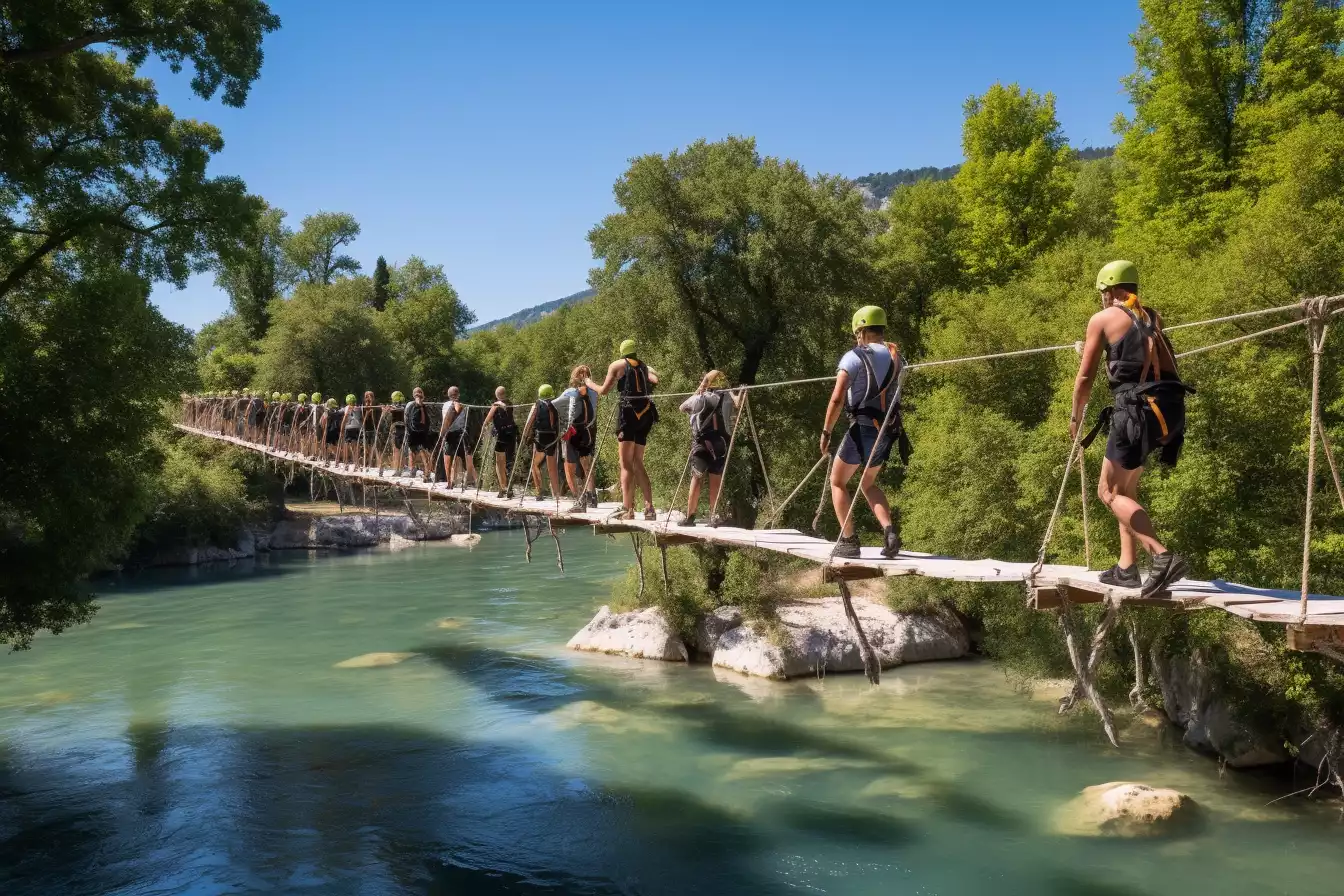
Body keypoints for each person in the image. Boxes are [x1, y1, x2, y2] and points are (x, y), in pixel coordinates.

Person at [1072, 260, 1192, 596]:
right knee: (1125, 490)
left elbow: (1085, 378)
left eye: (1102, 293)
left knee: (1108, 493)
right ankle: (1127, 568)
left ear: (1109, 290)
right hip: (1166, 410)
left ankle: (1162, 556)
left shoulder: (1102, 319)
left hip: (1135, 413)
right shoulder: (1152, 317)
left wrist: (1075, 417)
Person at [821, 306, 905, 560]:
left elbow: (837, 398)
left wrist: (826, 431)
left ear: (861, 331)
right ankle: (889, 532)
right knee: (868, 483)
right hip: (887, 431)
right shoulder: (897, 357)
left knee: (837, 481)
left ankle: (849, 541)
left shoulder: (853, 357)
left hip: (864, 429)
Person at [592, 339, 659, 521]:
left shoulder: (617, 365)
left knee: (626, 464)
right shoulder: (643, 366)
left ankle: (627, 509)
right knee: (638, 462)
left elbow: (603, 391)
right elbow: (655, 379)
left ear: (622, 351)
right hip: (645, 415)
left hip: (628, 415)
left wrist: (589, 382)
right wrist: (647, 369)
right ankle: (649, 508)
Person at [678, 370, 736, 527]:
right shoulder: (726, 397)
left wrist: (699, 390)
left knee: (696, 479)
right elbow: (736, 406)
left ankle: (690, 516)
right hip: (720, 444)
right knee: (715, 479)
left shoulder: (699, 398)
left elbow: (682, 407)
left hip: (702, 444)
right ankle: (713, 516)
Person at [560, 365, 600, 512]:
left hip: (573, 432)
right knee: (586, 462)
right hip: (589, 430)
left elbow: (556, 407)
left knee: (569, 466)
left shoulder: (569, 392)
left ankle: (579, 499)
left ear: (574, 376)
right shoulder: (594, 392)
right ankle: (592, 496)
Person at [524, 384, 563, 500]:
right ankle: (556, 494)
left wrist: (525, 435)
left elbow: (530, 421)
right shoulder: (555, 405)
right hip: (552, 439)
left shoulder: (537, 405)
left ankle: (539, 492)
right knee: (552, 468)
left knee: (534, 465)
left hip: (540, 439)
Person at [482, 386, 519, 498]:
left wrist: (483, 428)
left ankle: (503, 488)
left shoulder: (495, 405)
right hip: (511, 434)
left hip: (501, 436)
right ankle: (509, 488)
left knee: (499, 462)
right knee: (509, 462)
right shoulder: (510, 403)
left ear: (496, 395)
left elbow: (487, 420)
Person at [440, 386, 476, 489]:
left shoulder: (446, 405)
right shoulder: (455, 404)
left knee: (448, 457)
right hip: (457, 433)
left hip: (451, 434)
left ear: (448, 395)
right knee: (466, 456)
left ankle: (450, 482)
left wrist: (442, 434)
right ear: (458, 395)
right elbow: (456, 409)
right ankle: (473, 480)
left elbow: (446, 420)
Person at [404, 387, 434, 479]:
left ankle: (426, 472)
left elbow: (426, 419)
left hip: (421, 431)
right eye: (417, 393)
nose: (419, 395)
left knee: (422, 451)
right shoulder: (412, 404)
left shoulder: (423, 406)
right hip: (414, 431)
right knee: (414, 451)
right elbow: (407, 417)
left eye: (420, 393)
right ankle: (413, 470)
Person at [386, 390, 407, 474]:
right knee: (401, 449)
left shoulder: (395, 407)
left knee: (396, 450)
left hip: (397, 429)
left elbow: (392, 411)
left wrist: (388, 409)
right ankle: (400, 467)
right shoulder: (403, 406)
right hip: (402, 429)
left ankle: (397, 469)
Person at [339, 394, 362, 468]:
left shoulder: (346, 408)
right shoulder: (358, 408)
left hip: (348, 427)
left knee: (346, 444)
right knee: (356, 444)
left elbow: (344, 417)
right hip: (356, 427)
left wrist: (341, 428)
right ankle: (356, 461)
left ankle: (346, 462)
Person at [320, 398, 341, 464]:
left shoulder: (327, 412)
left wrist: (323, 428)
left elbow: (322, 421)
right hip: (335, 429)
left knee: (326, 443)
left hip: (328, 429)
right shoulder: (337, 412)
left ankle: (325, 458)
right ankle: (336, 458)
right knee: (334, 444)